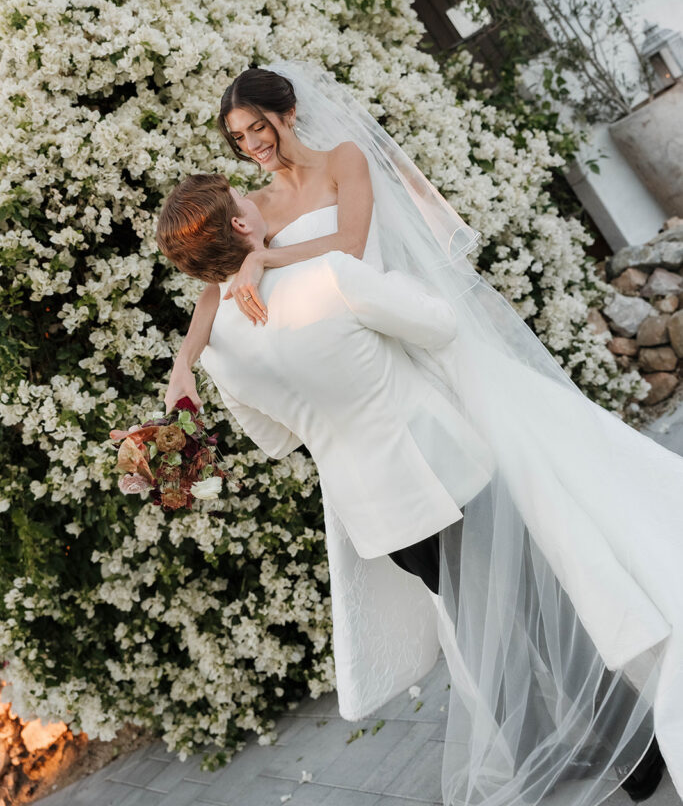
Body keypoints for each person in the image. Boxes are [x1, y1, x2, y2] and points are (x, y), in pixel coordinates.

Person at [156, 126, 678, 806]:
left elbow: (275, 440)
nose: (254, 202)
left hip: (376, 510)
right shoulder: (330, 276)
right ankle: (634, 758)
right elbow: (437, 323)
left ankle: (535, 753)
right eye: (240, 201)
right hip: (444, 468)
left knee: (476, 622)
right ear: (237, 222)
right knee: (531, 601)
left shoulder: (217, 347)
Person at [163, 67, 374, 414]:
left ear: (288, 113)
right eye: (240, 136)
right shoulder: (255, 206)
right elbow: (216, 290)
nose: (252, 145)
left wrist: (261, 259)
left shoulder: (342, 160)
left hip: (387, 307)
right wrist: (183, 363)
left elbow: (352, 243)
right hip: (344, 351)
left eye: (257, 127)